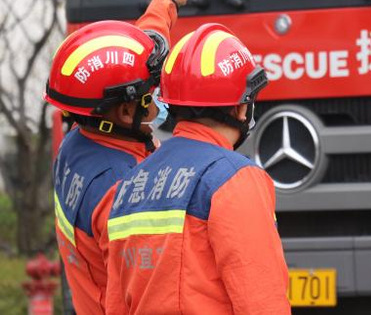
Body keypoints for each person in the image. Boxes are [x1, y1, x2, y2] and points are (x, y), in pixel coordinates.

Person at [104, 23, 290, 314]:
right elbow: (262, 302)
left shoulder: (128, 185)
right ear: (242, 108)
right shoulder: (234, 179)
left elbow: (115, 304)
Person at [46, 0, 193, 315]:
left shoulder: (79, 141)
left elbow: (132, 54)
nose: (158, 99)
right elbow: (148, 297)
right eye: (151, 94)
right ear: (126, 112)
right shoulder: (123, 193)